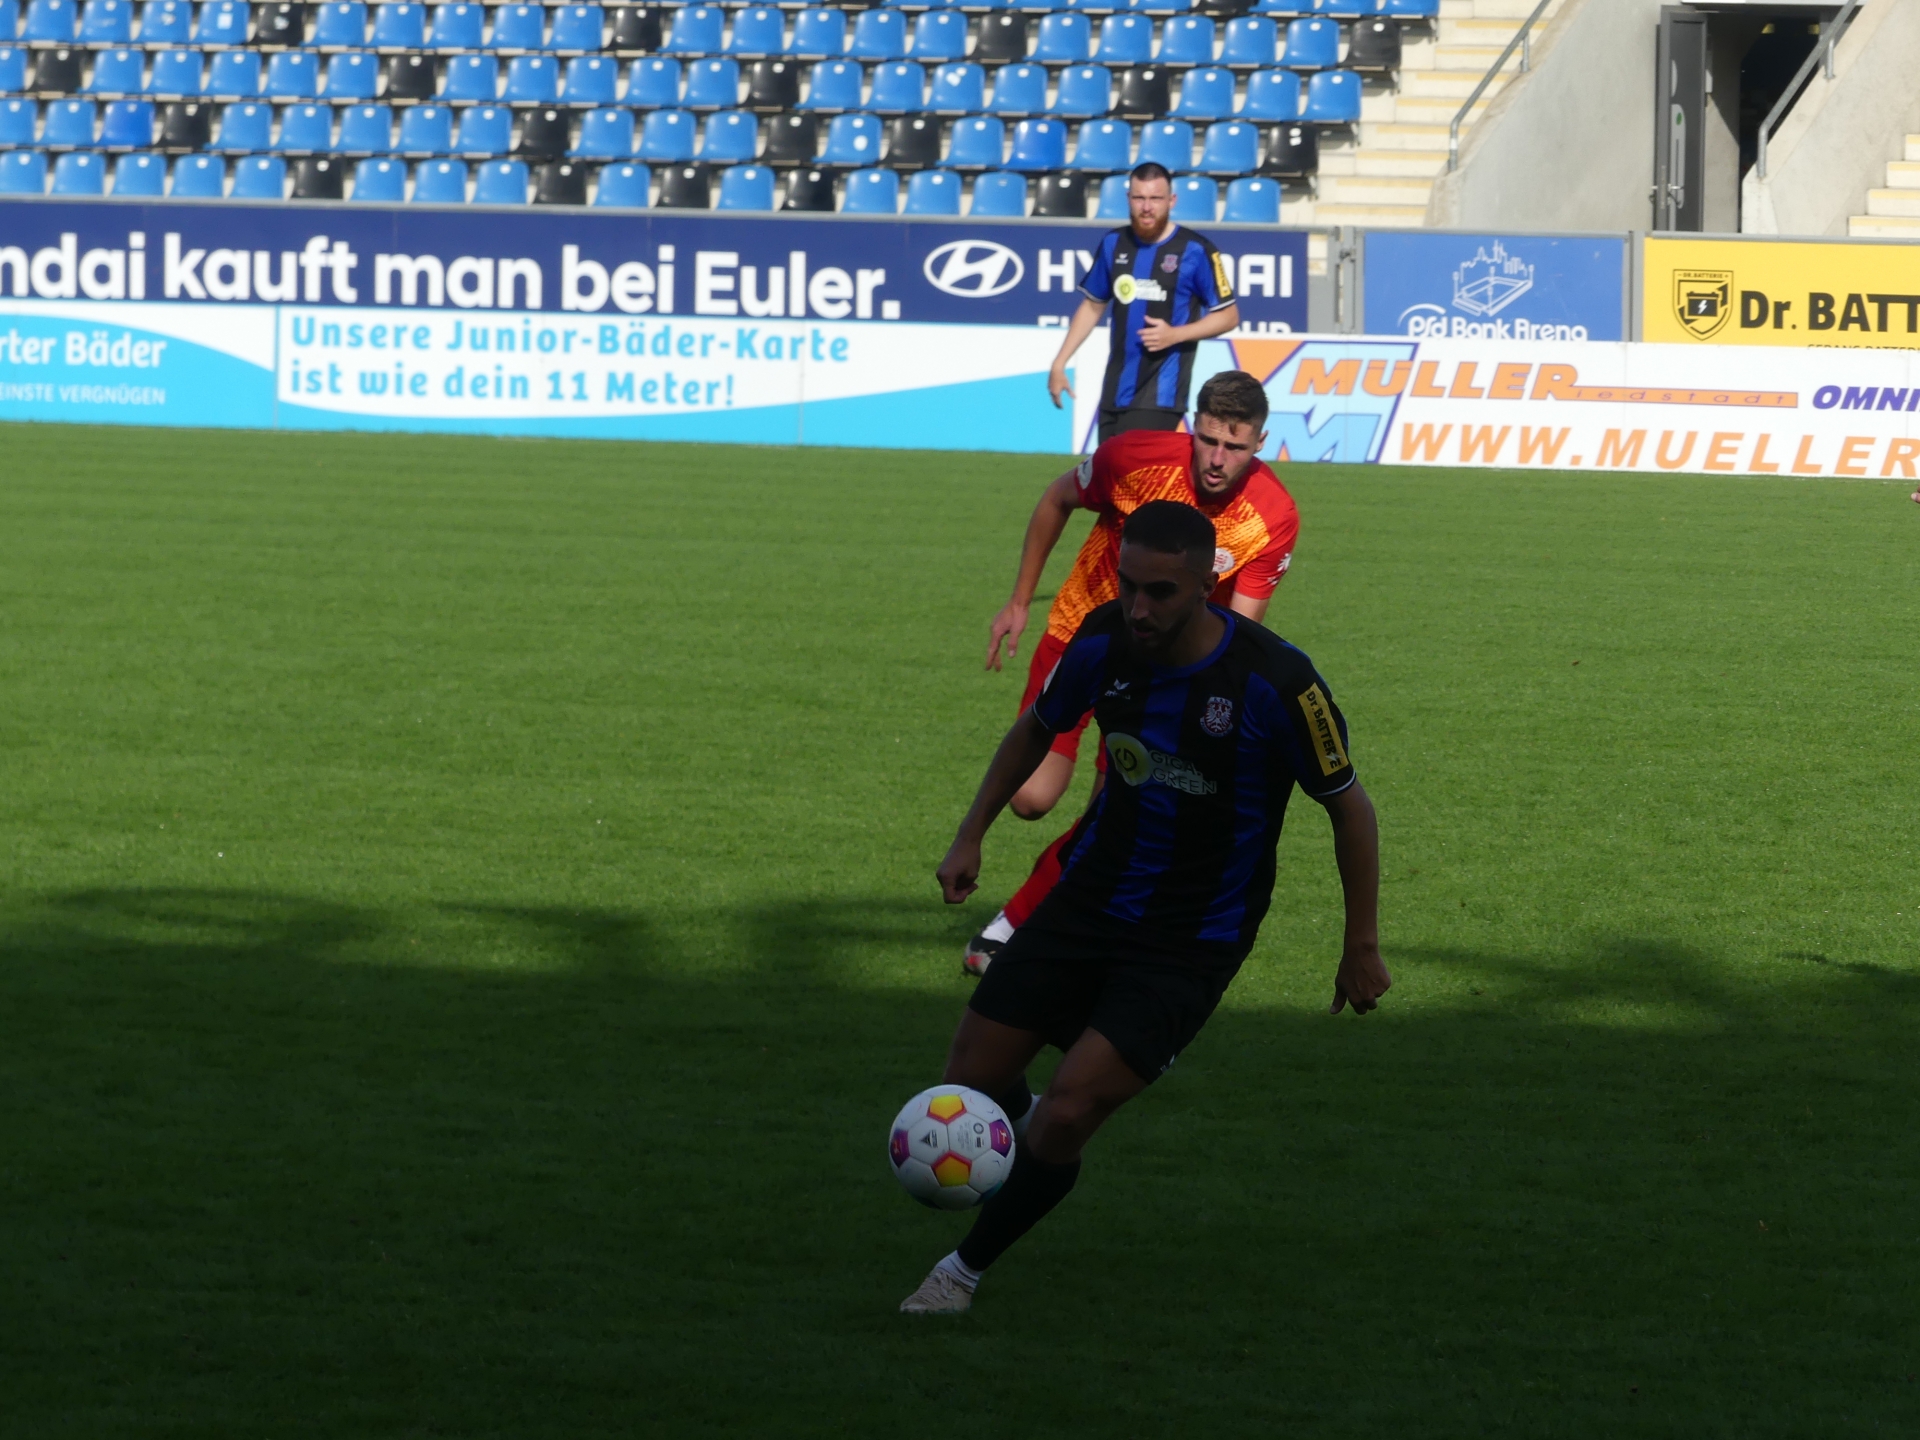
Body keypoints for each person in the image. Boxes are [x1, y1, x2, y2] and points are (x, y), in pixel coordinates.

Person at [901, 501, 1389, 1315]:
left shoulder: (1278, 682)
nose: (1137, 607)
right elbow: (1035, 729)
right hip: (1086, 903)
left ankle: (960, 1273)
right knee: (970, 1081)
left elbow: (1350, 807)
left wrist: (1360, 944)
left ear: (1206, 584)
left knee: (1067, 1113)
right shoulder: (1102, 641)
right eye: (1128, 585)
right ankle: (1023, 1149)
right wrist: (970, 834)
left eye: (1159, 591)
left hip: (1190, 940)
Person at [966, 370, 1298, 976]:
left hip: (1163, 676)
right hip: (1080, 639)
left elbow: (1242, 628)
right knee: (1031, 799)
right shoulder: (1131, 458)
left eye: (1236, 446)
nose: (1218, 459)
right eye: (1208, 440)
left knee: (1113, 816)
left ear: (1261, 442)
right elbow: (1057, 499)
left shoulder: (1272, 515)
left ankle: (1015, 925)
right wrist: (1019, 600)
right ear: (1191, 429)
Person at [1047, 162, 1242, 446]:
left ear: (1171, 201)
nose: (1147, 207)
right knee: (1107, 474)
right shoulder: (1113, 243)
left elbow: (1228, 316)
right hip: (1114, 392)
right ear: (1128, 199)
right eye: (1139, 198)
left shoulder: (1196, 250)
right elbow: (1092, 305)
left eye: (1155, 199)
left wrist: (1175, 334)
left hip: (1161, 395)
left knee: (1134, 471)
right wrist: (1059, 363)